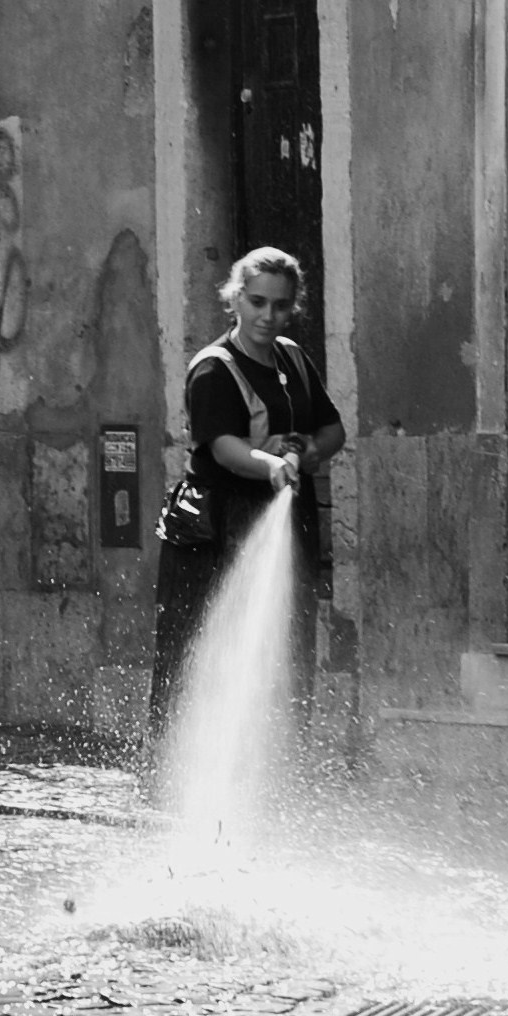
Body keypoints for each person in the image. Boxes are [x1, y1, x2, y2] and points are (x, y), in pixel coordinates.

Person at [150, 245, 346, 738]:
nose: (267, 315)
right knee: (200, 651)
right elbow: (223, 448)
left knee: (288, 647)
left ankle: (286, 759)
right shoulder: (213, 368)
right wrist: (273, 465)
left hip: (288, 515)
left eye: (280, 305)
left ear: (293, 306)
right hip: (216, 530)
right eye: (257, 302)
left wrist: (311, 450)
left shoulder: (293, 359)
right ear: (235, 298)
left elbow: (332, 428)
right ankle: (176, 763)